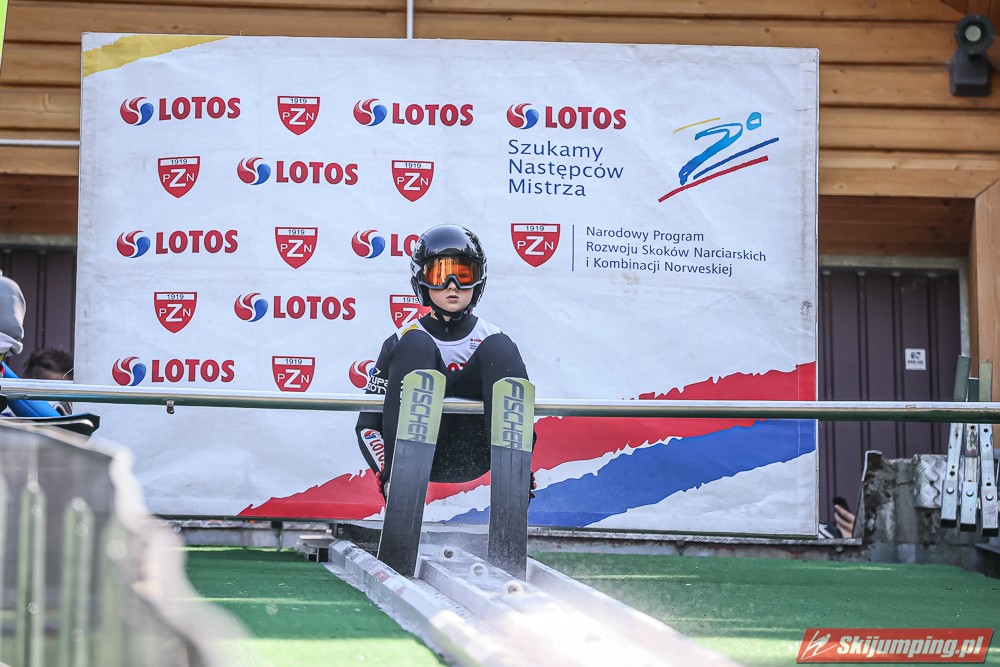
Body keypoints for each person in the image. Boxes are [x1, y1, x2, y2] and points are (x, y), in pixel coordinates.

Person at [355, 224, 532, 500]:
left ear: (479, 281)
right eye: (440, 275)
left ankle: (514, 474)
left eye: (464, 274)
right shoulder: (400, 341)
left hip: (478, 451)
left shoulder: (492, 337)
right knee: (415, 344)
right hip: (422, 455)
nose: (452, 285)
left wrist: (524, 464)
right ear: (422, 281)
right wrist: (386, 470)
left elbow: (519, 413)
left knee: (499, 347)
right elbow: (368, 425)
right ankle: (401, 479)